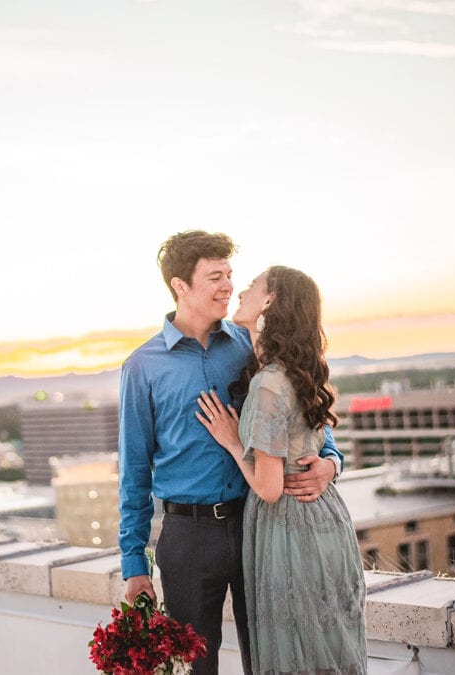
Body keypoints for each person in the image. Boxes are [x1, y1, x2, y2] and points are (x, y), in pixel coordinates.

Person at [118, 232, 345, 675]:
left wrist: (332, 463)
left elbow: (304, 418)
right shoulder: (142, 367)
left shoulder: (251, 347)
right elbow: (134, 471)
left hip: (257, 525)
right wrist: (134, 565)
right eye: (214, 277)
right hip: (187, 537)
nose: (227, 286)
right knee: (194, 668)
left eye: (230, 275)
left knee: (268, 660)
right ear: (180, 287)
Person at [196, 265, 367, 675]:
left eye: (252, 286)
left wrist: (233, 440)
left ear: (270, 302)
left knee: (298, 655)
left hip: (289, 529)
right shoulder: (296, 369)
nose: (239, 292)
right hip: (325, 520)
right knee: (329, 648)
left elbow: (269, 488)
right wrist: (331, 462)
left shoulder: (269, 384)